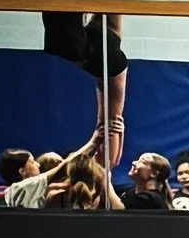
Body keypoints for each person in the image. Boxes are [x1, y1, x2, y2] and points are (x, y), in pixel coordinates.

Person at [42, 10, 128, 166]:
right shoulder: (101, 167)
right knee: (109, 123)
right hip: (101, 62)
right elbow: (108, 162)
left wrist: (119, 133)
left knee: (107, 16)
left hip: (108, 54)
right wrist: (98, 141)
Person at [43, 151, 123, 212]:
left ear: (69, 174)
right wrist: (106, 182)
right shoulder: (102, 198)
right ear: (94, 174)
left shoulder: (55, 197)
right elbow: (120, 213)